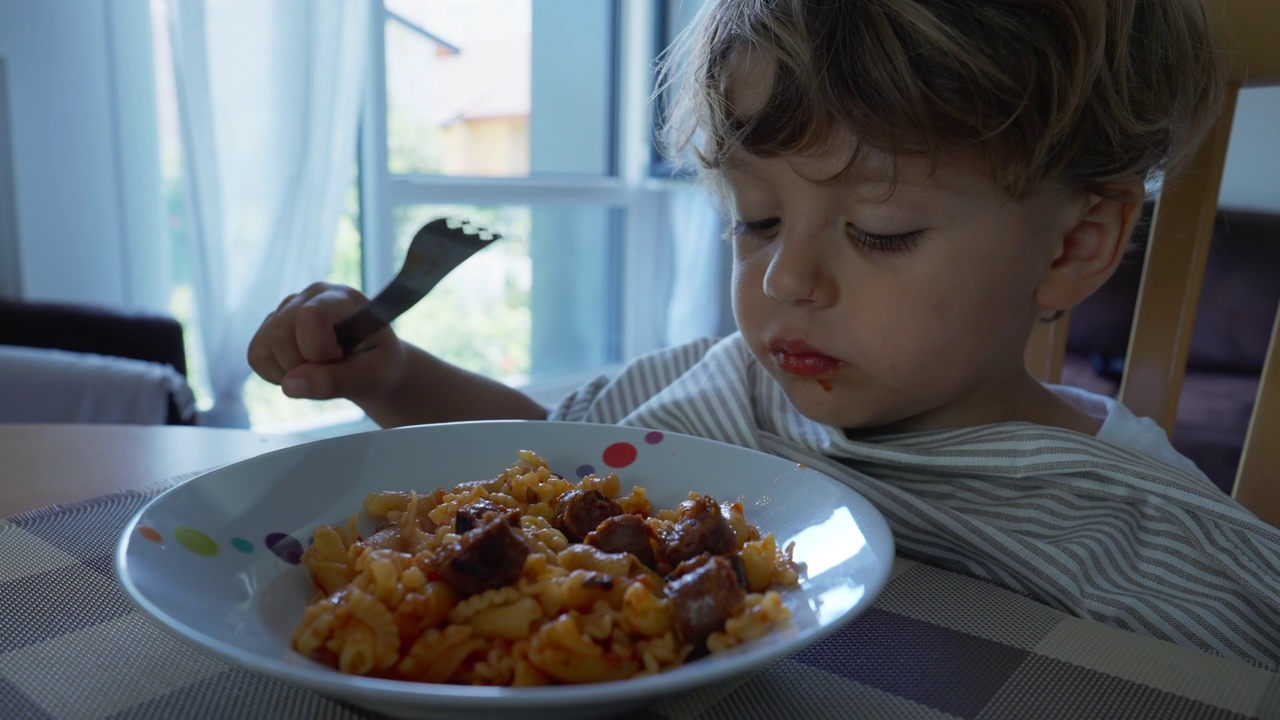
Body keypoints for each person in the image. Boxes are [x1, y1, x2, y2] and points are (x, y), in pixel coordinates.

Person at [249, 0, 1280, 669]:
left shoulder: (1139, 540)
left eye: (880, 233)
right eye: (755, 219)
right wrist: (393, 373)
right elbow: (553, 464)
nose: (784, 277)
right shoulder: (726, 382)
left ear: (1071, 247)